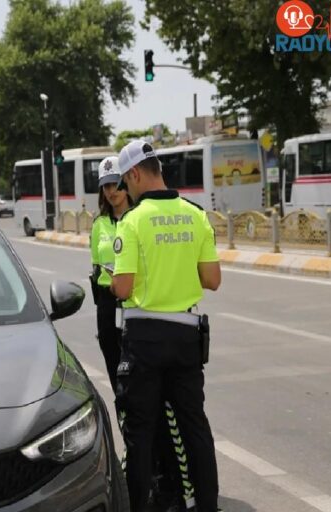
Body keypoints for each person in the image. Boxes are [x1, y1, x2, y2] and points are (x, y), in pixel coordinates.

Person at [110, 141, 222, 512]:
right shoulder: (196, 215)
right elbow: (212, 279)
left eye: (125, 182)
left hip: (144, 339)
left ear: (135, 173)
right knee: (195, 428)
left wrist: (116, 281)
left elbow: (123, 287)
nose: (125, 190)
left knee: (140, 434)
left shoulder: (133, 221)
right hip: (186, 336)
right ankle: (207, 506)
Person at [89, 156, 131, 391]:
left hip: (134, 299)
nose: (111, 191)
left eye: (115, 184)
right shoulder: (98, 224)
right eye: (106, 186)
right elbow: (95, 266)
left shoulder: (138, 217)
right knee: (114, 365)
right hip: (106, 302)